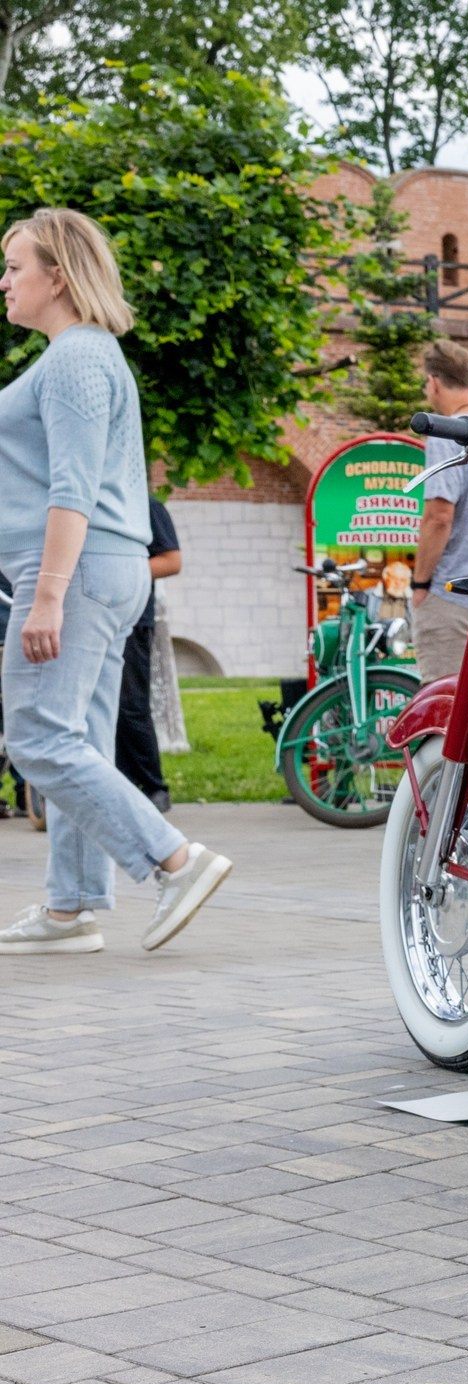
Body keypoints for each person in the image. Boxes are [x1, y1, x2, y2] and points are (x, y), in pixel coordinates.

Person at [0, 208, 230, 953]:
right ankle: (70, 909)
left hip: (75, 571)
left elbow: (72, 488)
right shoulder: (84, 355)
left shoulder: (74, 357)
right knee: (79, 739)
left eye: (14, 267)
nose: (4, 282)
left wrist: (47, 595)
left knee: (37, 736)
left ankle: (175, 861)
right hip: (106, 569)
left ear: (58, 276)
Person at [410, 339, 468, 683]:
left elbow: (439, 517)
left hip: (452, 593)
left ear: (433, 382)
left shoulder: (446, 433)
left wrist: (420, 583)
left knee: (443, 703)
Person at [114, 498, 181, 810]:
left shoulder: (146, 505)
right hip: (92, 619)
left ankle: (154, 786)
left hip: (132, 621)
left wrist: (113, 570)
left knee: (130, 706)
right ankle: (119, 785)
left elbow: (171, 561)